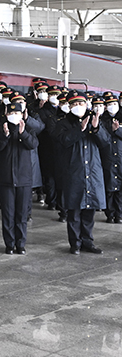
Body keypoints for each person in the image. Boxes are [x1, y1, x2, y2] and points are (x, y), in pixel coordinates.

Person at [52, 91, 109, 255]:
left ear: (87, 105)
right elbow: (64, 141)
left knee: (89, 209)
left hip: (92, 170)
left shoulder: (95, 121)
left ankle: (88, 242)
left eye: (81, 104)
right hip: (74, 171)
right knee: (74, 210)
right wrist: (80, 129)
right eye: (74, 104)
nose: (78, 107)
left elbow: (105, 143)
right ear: (69, 107)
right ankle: (75, 243)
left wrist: (96, 128)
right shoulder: (63, 123)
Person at [0, 102, 39, 254]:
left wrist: (23, 133)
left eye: (17, 113)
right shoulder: (0, 130)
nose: (14, 116)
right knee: (8, 214)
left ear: (22, 114)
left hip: (24, 179)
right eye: (11, 114)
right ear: (6, 115)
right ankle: (9, 244)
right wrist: (5, 136)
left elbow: (33, 144)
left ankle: (21, 244)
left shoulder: (29, 129)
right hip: (6, 179)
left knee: (21, 214)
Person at [100, 92, 122, 223]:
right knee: (108, 187)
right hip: (107, 157)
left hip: (120, 157)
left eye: (114, 103)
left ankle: (119, 215)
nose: (112, 106)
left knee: (120, 190)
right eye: (109, 104)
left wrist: (117, 130)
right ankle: (109, 214)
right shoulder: (102, 120)